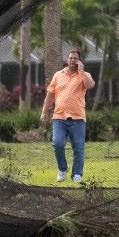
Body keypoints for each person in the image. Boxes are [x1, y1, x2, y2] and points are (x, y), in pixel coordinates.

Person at [41, 49, 95, 183]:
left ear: (79, 60)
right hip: (59, 117)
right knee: (57, 143)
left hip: (78, 118)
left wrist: (82, 71)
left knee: (78, 147)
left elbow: (90, 85)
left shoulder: (84, 75)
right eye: (70, 58)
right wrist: (44, 111)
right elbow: (50, 95)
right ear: (67, 59)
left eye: (75, 58)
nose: (72, 60)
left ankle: (77, 174)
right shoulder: (58, 75)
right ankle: (62, 169)